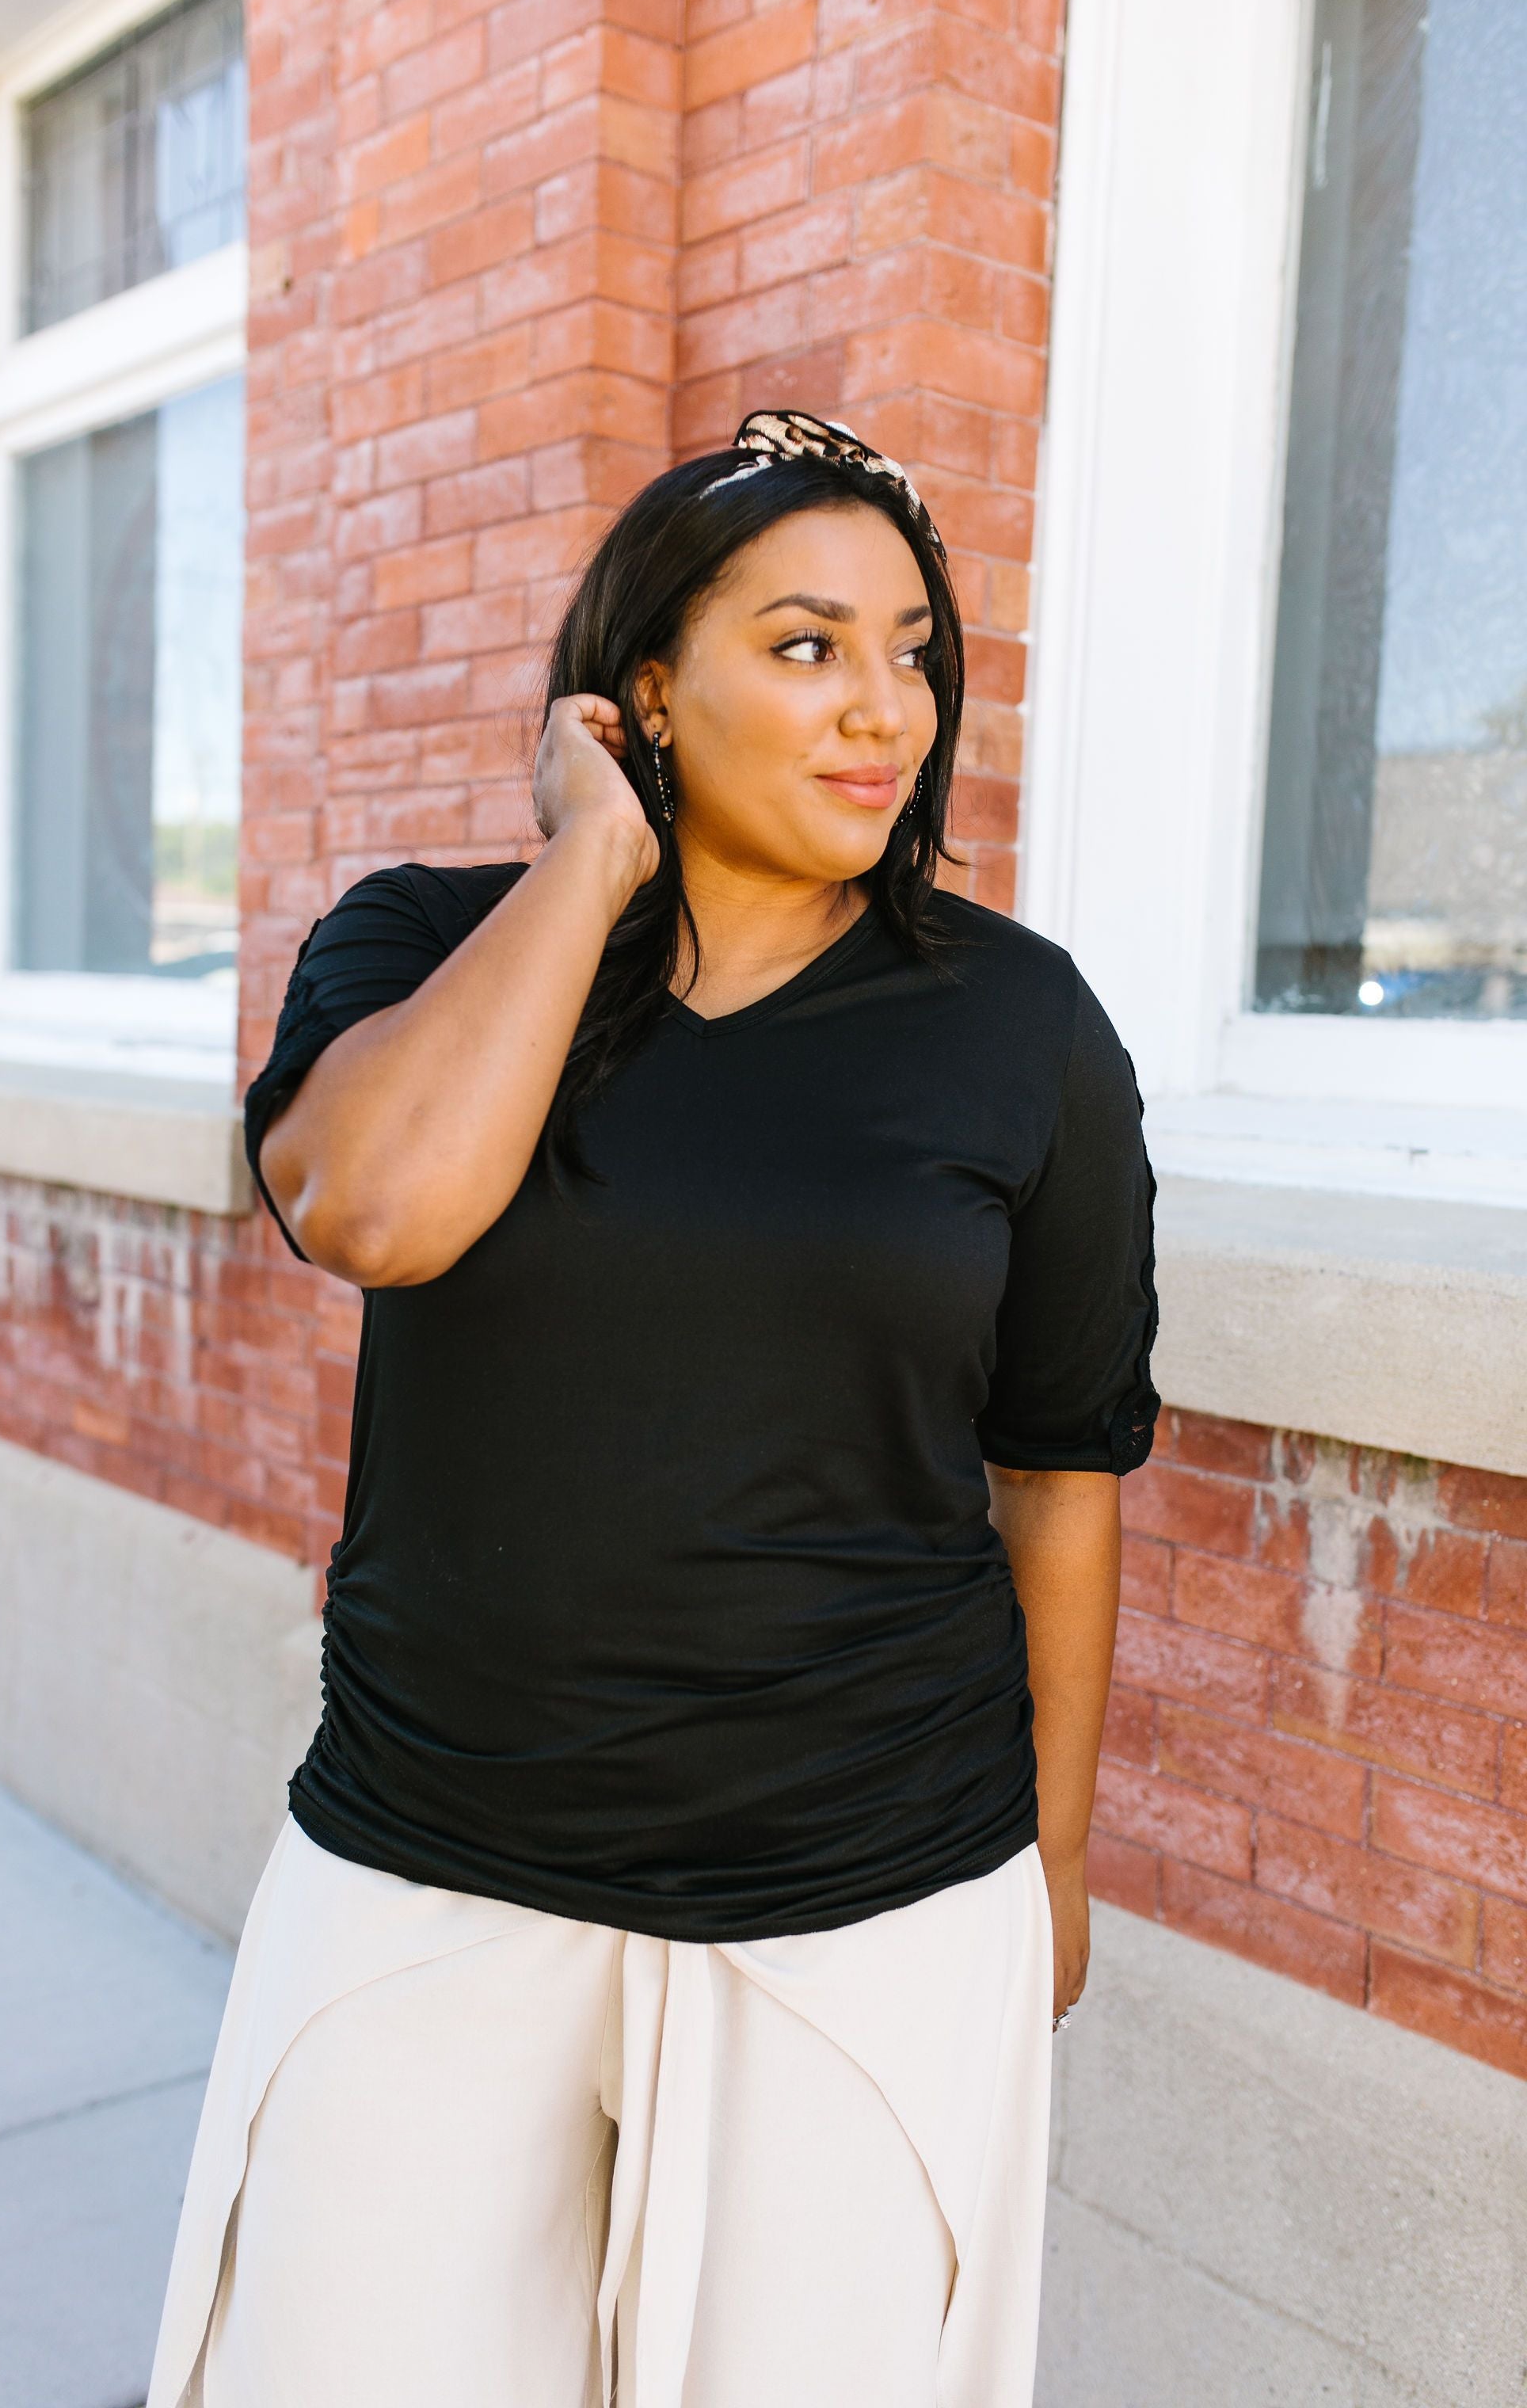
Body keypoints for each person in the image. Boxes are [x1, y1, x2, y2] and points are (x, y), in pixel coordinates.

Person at [147, 410, 1160, 2408]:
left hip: (868, 1893)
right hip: (429, 1862)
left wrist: (1050, 1871)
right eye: (804, 645)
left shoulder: (1019, 1024)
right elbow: (374, 1207)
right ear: (647, 695)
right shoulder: (425, 939)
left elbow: (1059, 1472)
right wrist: (596, 858)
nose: (883, 708)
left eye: (912, 651)